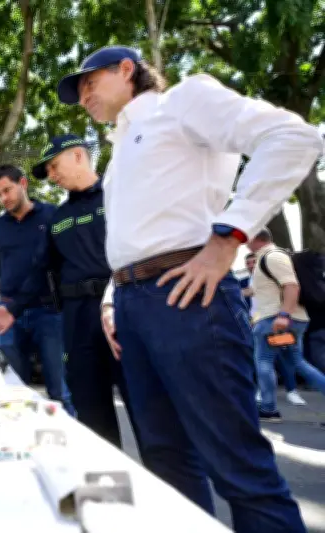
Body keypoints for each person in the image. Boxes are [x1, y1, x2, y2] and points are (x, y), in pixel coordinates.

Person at [58, 44, 319, 531]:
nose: (84, 97)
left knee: (238, 467)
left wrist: (227, 239)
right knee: (168, 466)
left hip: (188, 299)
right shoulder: (118, 157)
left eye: (90, 82)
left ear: (127, 69)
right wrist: (115, 300)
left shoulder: (182, 102)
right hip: (135, 308)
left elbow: (293, 136)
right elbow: (131, 241)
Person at [0, 135, 138, 449]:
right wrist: (11, 309)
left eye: (55, 166)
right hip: (73, 319)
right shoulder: (59, 219)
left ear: (80, 156)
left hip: (122, 312)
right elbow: (41, 269)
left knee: (146, 410)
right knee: (90, 409)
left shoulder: (116, 199)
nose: (52, 176)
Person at [0, 164, 68, 404]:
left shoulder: (52, 215)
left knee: (59, 390)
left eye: (7, 190)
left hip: (48, 312)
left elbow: (56, 265)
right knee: (12, 389)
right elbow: (0, 269)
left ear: (23, 184)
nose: (3, 199)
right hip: (8, 315)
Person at [248, 228, 325, 420]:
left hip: (275, 320)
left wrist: (283, 315)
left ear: (255, 238)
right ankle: (267, 407)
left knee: (264, 361)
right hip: (286, 320)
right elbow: (262, 290)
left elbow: (291, 285)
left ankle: (268, 408)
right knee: (298, 363)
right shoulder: (269, 258)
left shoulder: (272, 257)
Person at [243, 251, 304, 406]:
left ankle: (291, 391)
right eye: (248, 263)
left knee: (285, 358)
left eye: (254, 262)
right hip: (255, 323)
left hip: (275, 322)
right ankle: (263, 393)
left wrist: (284, 315)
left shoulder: (272, 277)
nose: (251, 265)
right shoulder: (245, 282)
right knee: (259, 360)